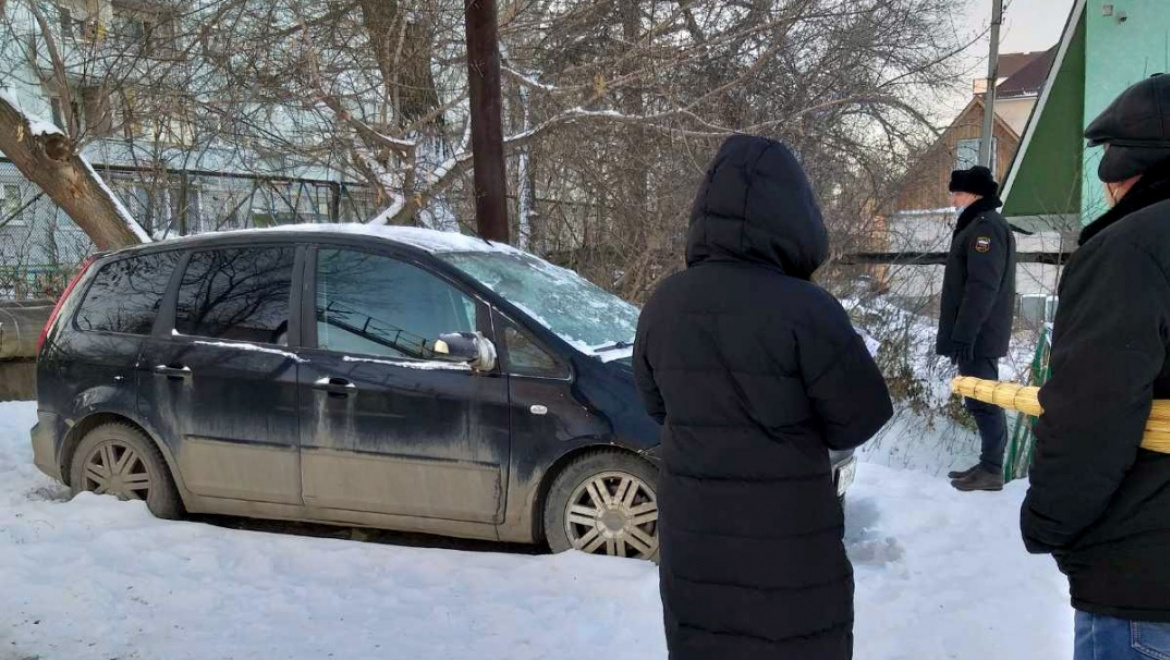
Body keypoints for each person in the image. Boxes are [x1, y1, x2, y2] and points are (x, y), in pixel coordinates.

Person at [633, 135, 893, 660]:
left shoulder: (664, 304)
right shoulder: (808, 311)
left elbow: (655, 405)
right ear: (794, 216)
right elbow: (860, 416)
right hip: (788, 546)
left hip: (696, 544)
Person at [1022, 73, 1170, 659]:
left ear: (1126, 169)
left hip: (1146, 582)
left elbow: (1091, 414)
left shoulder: (1133, 250)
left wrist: (1048, 523)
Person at [938, 165, 1017, 491]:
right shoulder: (978, 225)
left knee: (983, 398)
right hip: (975, 332)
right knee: (977, 396)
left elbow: (982, 287)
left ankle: (992, 468)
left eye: (957, 193)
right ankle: (988, 464)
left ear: (974, 194)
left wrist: (965, 334)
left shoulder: (986, 228)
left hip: (978, 334)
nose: (953, 200)